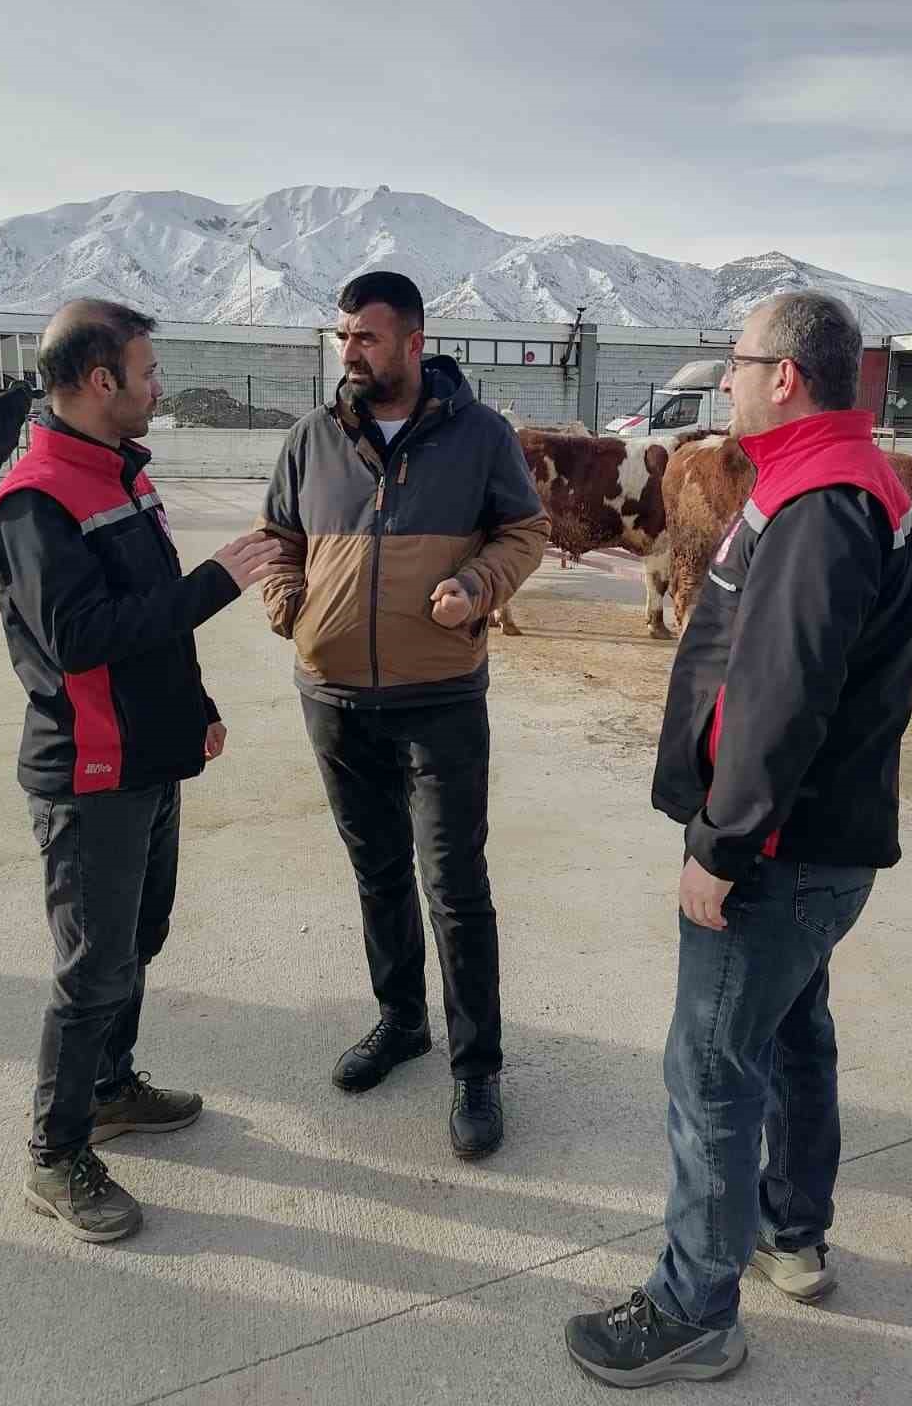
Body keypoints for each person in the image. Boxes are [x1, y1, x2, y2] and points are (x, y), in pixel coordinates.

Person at [565, 293, 912, 1388]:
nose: (725, 382)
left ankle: (693, 1307)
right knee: (790, 1031)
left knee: (713, 1065)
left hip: (778, 852)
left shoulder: (822, 502)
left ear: (788, 378)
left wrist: (721, 847)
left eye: (737, 363)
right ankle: (789, 1227)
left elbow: (778, 700)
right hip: (817, 842)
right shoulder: (834, 477)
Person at [0, 298, 282, 1243]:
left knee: (137, 939)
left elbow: (146, 621)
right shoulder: (37, 499)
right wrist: (216, 583)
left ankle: (110, 1088)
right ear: (101, 380)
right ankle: (55, 1152)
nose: (159, 388)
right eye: (148, 373)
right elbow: (80, 640)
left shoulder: (117, 474)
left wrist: (197, 711)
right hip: (89, 773)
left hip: (148, 759)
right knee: (91, 968)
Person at [258, 270, 548, 1159]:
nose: (349, 352)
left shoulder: (480, 436)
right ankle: (400, 1021)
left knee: (455, 888)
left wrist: (477, 583)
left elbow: (524, 533)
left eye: (366, 338)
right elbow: (278, 538)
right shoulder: (311, 438)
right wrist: (289, 603)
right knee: (377, 872)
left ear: (414, 344)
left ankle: (477, 1067)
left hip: (440, 700)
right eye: (342, 335)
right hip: (334, 697)